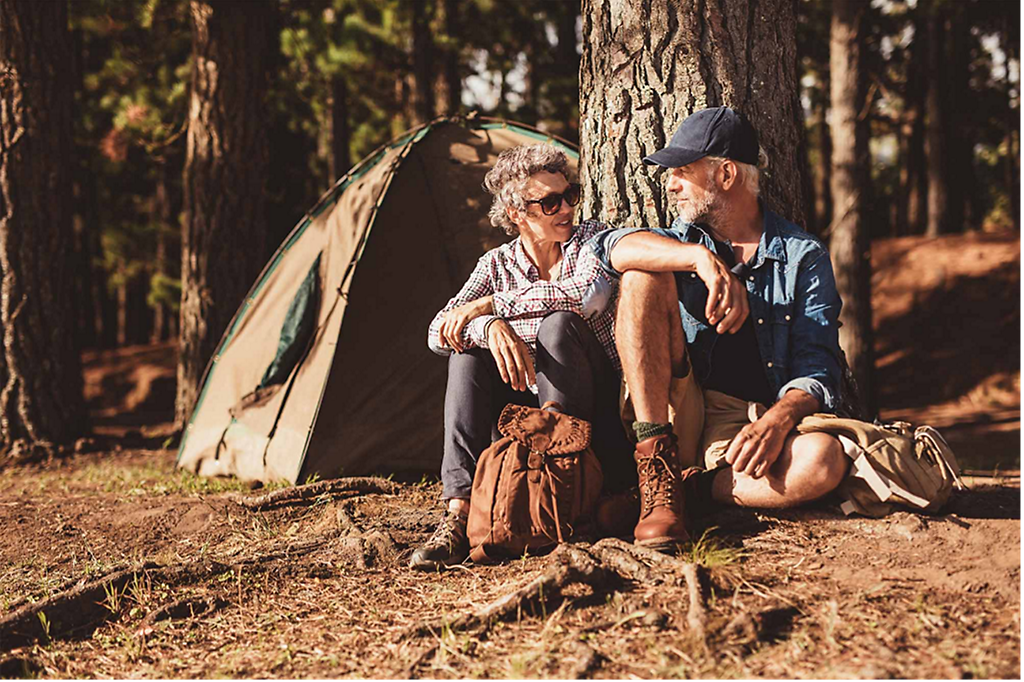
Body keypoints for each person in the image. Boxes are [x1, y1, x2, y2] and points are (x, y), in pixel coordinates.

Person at [590, 106, 851, 550]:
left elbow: (819, 365)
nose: (670, 184)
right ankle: (657, 474)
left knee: (822, 461)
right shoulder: (679, 243)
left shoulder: (802, 255)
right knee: (640, 275)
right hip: (676, 410)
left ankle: (691, 492)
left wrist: (778, 418)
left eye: (682, 172)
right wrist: (699, 260)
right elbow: (608, 247)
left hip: (746, 425)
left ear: (726, 175)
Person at [411, 143, 634, 571]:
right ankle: (457, 516)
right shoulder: (496, 264)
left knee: (558, 325)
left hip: (593, 419)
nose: (566, 208)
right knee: (466, 354)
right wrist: (487, 327)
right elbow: (438, 331)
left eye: (570, 195)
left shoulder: (591, 242)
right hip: (525, 421)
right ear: (517, 214)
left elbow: (584, 298)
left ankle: (564, 499)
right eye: (549, 202)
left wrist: (491, 306)